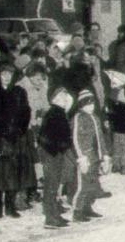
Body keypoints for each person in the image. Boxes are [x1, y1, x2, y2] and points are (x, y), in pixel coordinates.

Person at [0, 61, 30, 219]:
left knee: (12, 173)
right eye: (3, 74)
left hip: (14, 138)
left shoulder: (19, 92)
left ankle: (10, 206)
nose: (6, 77)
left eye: (9, 74)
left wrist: (18, 131)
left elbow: (26, 113)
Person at [38, 89, 77, 228]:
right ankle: (50, 218)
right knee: (51, 186)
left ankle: (54, 214)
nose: (64, 98)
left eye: (65, 96)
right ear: (53, 99)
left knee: (53, 186)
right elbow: (45, 137)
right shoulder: (54, 113)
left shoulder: (59, 112)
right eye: (61, 96)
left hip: (55, 154)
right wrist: (60, 147)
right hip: (52, 154)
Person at [70, 89, 107, 221]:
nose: (91, 106)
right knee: (83, 186)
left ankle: (88, 207)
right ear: (81, 105)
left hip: (95, 157)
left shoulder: (95, 118)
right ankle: (78, 211)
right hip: (85, 157)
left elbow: (100, 138)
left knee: (92, 184)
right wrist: (81, 157)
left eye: (92, 103)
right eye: (87, 104)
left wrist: (105, 155)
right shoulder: (78, 118)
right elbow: (75, 139)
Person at [17, 63, 50, 206]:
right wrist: (32, 119)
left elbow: (46, 104)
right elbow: (21, 110)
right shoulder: (21, 87)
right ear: (29, 76)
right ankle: (23, 194)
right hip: (25, 128)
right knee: (28, 161)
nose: (39, 80)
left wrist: (44, 114)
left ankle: (34, 189)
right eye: (36, 78)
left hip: (39, 127)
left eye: (41, 78)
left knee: (38, 159)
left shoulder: (43, 85)